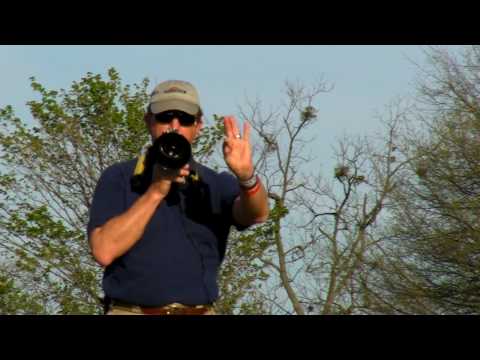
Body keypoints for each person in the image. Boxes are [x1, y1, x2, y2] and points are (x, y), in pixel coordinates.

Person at [87, 80, 269, 315]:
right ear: (148, 121)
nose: (174, 126)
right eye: (165, 117)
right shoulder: (119, 178)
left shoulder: (214, 183)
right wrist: (156, 190)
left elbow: (258, 213)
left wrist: (246, 177)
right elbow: (103, 251)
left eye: (184, 119)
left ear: (198, 126)